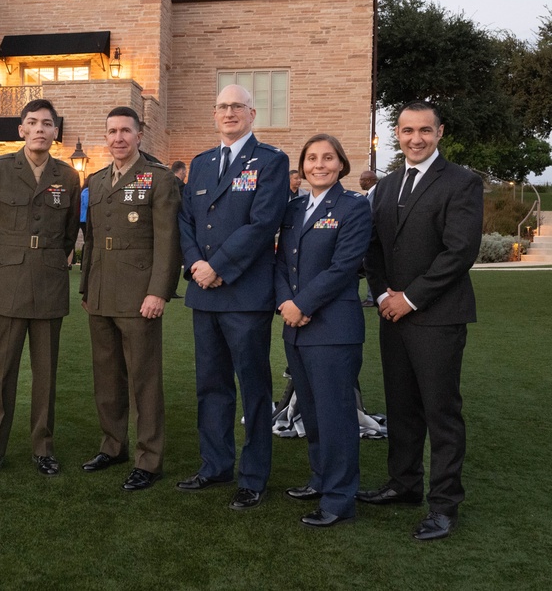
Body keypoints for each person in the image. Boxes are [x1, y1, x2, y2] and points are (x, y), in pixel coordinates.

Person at [359, 101, 483, 541]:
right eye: (407, 131)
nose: (416, 138)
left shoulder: (462, 182)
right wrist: (380, 295)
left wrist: (409, 298)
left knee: (441, 413)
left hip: (437, 318)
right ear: (397, 133)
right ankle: (404, 484)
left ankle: (445, 505)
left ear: (439, 132)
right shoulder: (387, 185)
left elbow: (459, 253)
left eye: (424, 131)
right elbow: (372, 249)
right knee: (402, 408)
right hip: (392, 315)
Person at [177, 84, 288, 509]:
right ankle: (215, 465)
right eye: (222, 106)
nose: (229, 113)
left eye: (236, 106)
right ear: (214, 114)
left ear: (252, 113)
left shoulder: (271, 161)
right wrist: (196, 266)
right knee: (211, 385)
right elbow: (186, 220)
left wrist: (218, 266)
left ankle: (254, 475)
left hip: (244, 295)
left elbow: (262, 224)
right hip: (204, 295)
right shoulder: (202, 163)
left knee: (253, 387)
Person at [0, 99, 81, 478]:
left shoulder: (67, 177)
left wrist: (50, 256)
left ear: (55, 132)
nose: (39, 129)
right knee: (1, 373)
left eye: (47, 124)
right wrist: (3, 261)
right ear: (21, 130)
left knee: (45, 374)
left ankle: (43, 448)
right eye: (32, 122)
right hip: (9, 280)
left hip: (50, 282)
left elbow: (69, 234)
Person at [79, 107, 181, 491]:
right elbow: (90, 239)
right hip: (102, 293)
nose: (118, 138)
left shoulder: (158, 179)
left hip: (140, 295)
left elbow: (168, 242)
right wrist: (86, 286)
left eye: (125, 131)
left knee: (144, 380)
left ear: (139, 135)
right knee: (107, 378)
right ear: (105, 137)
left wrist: (158, 291)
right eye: (112, 131)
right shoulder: (97, 180)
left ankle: (149, 459)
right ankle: (113, 444)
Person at [275, 134, 371, 528]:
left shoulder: (354, 207)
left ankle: (339, 498)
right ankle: (320, 479)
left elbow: (344, 266)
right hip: (295, 327)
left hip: (333, 328)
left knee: (335, 416)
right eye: (312, 158)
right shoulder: (294, 208)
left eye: (328, 158)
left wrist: (302, 305)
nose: (319, 164)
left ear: (341, 165)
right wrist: (285, 303)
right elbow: (280, 261)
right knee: (311, 414)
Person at [358, 170, 379, 306]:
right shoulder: (370, 194)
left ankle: (373, 298)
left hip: (374, 239)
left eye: (361, 179)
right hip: (370, 238)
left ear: (368, 180)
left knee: (371, 266)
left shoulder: (377, 194)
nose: (359, 182)